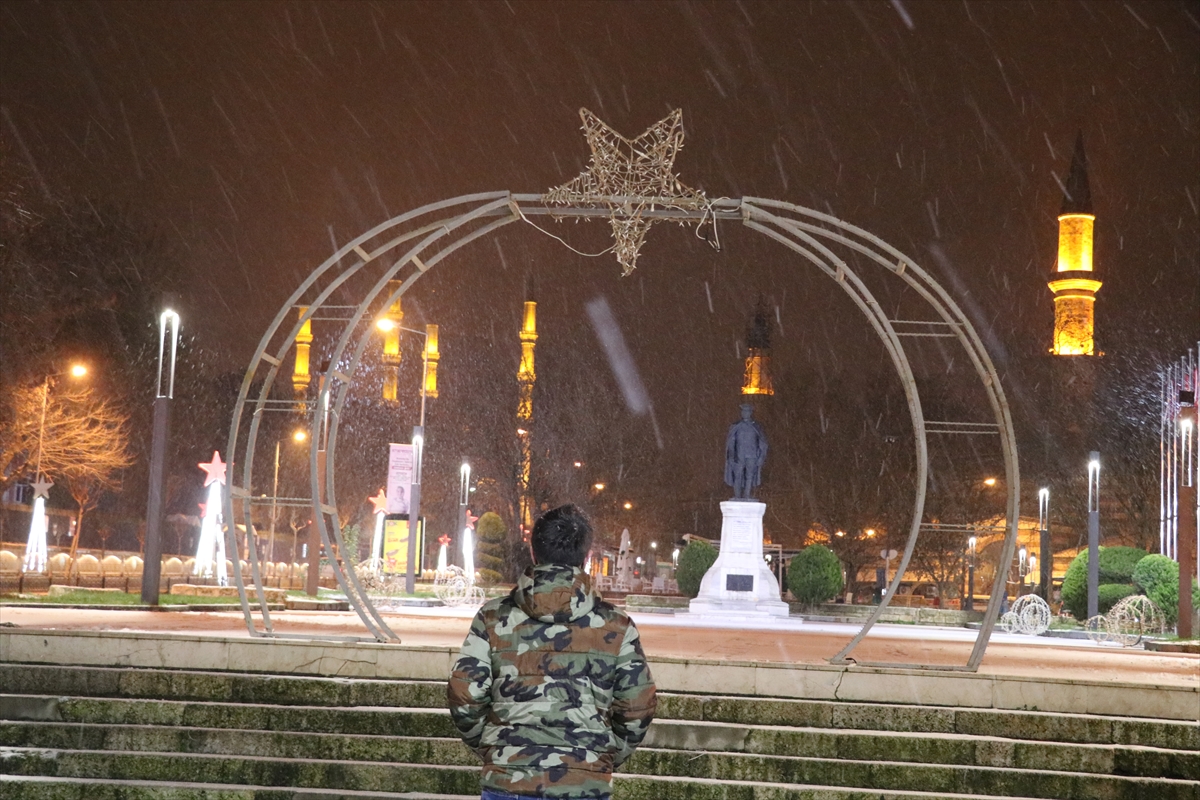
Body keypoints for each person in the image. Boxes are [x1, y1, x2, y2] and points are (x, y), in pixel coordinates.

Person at [448, 504, 657, 800]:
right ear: (585, 557)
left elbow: (465, 695)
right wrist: (601, 756)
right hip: (584, 784)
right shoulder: (617, 625)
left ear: (534, 553)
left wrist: (495, 748)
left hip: (509, 781)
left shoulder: (492, 618)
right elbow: (637, 705)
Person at [724, 403, 768, 498]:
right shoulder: (736, 426)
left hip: (752, 455)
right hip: (739, 455)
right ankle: (737, 496)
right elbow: (731, 441)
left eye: (747, 411)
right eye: (743, 411)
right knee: (738, 475)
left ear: (750, 413)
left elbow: (763, 442)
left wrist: (761, 457)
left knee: (750, 476)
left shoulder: (756, 426)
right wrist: (731, 455)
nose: (745, 413)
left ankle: (747, 495)